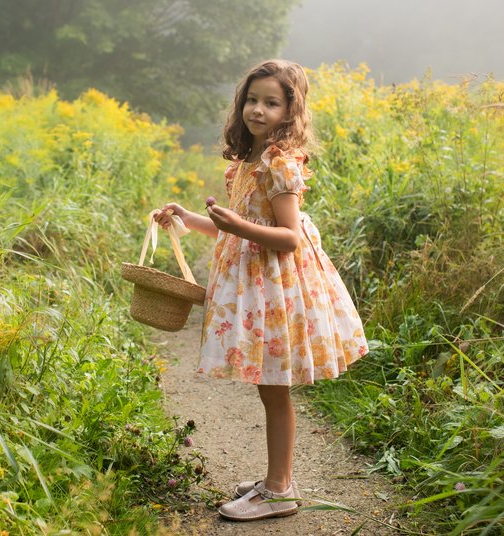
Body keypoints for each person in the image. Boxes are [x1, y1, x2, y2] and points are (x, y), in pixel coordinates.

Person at [154, 59, 368, 521]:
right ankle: (277, 480)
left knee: (275, 388)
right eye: (252, 99)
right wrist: (188, 218)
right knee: (269, 387)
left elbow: (288, 236)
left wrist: (240, 227)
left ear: (290, 111)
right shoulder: (246, 162)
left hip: (277, 289)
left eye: (271, 102)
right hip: (258, 282)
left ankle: (279, 491)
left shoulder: (279, 163)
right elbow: (234, 227)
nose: (258, 109)